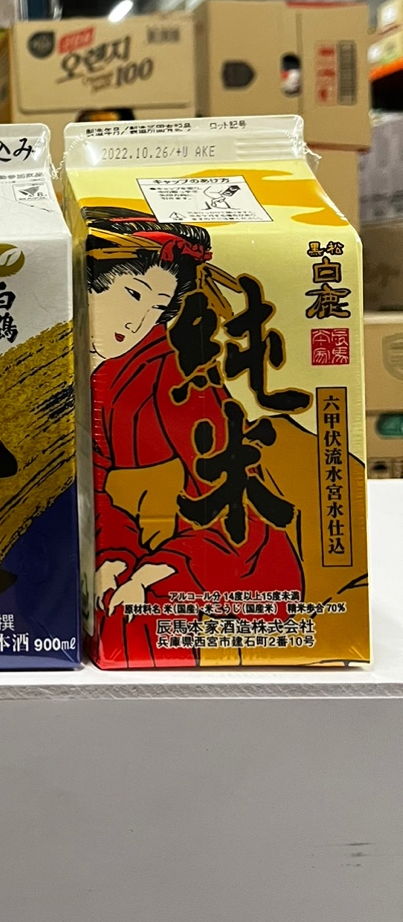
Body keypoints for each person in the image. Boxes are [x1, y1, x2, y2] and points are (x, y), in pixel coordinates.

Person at [85, 209, 303, 667]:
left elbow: (227, 496)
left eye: (157, 308)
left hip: (215, 556)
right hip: (118, 544)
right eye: (133, 294)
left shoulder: (170, 376)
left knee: (133, 615)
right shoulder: (75, 361)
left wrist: (146, 573)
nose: (139, 321)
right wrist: (114, 554)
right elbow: (95, 485)